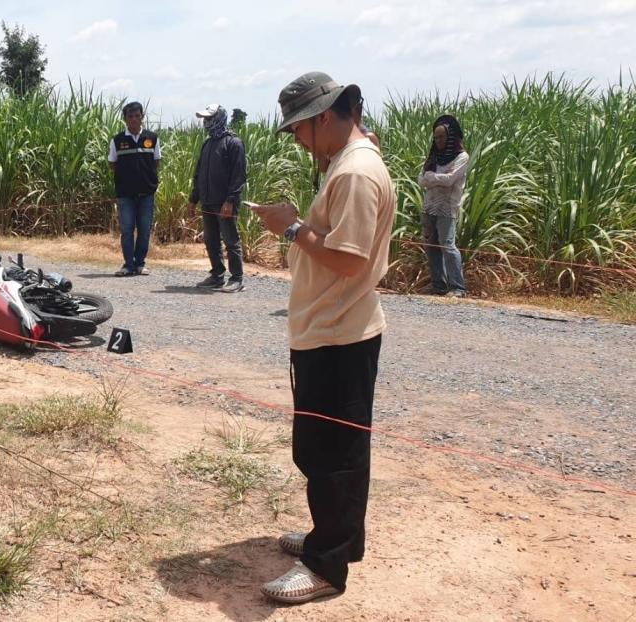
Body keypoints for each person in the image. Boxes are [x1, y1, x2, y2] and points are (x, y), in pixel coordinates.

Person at [250, 71, 396, 605]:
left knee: (332, 455)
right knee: (331, 449)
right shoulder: (349, 162)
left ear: (324, 118)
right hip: (334, 327)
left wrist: (291, 228)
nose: (296, 141)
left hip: (339, 333)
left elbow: (349, 258)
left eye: (297, 130)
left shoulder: (354, 172)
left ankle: (326, 565)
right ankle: (334, 537)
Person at [187, 104, 247, 292]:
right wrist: (193, 199)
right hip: (207, 200)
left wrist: (230, 201)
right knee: (211, 240)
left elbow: (238, 175)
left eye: (209, 118)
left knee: (230, 240)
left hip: (225, 203)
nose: (206, 122)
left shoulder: (233, 143)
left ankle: (237, 278)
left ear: (219, 118)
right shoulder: (208, 144)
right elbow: (199, 173)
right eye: (205, 119)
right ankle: (217, 275)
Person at [107, 101, 161, 276]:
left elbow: (156, 162)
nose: (134, 119)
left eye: (137, 116)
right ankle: (128, 265)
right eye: (130, 116)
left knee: (144, 230)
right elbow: (112, 164)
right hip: (125, 194)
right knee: (127, 230)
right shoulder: (117, 140)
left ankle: (140, 264)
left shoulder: (152, 138)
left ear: (142, 117)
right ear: (125, 119)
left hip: (147, 193)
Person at [419, 115, 469, 296]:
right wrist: (435, 179)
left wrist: (432, 178)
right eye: (436, 137)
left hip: (447, 208)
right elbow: (421, 180)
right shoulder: (433, 157)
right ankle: (438, 285)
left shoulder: (461, 157)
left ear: (450, 137)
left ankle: (458, 287)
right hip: (429, 206)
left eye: (441, 137)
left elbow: (450, 180)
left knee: (448, 246)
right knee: (431, 246)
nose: (438, 141)